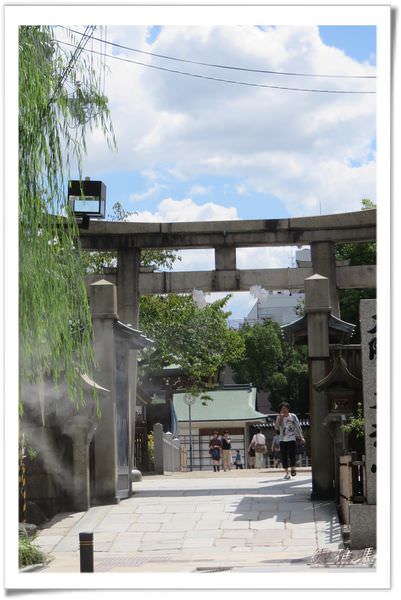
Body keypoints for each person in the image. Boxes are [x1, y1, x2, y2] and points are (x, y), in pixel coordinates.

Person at [274, 402, 304, 480]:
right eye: (282, 409)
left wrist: (301, 437)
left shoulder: (293, 416)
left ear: (288, 409)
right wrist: (280, 418)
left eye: (285, 408)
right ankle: (287, 473)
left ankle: (293, 468)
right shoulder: (279, 417)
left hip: (292, 438)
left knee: (292, 455)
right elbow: (277, 428)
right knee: (284, 457)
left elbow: (298, 426)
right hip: (282, 439)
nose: (284, 410)